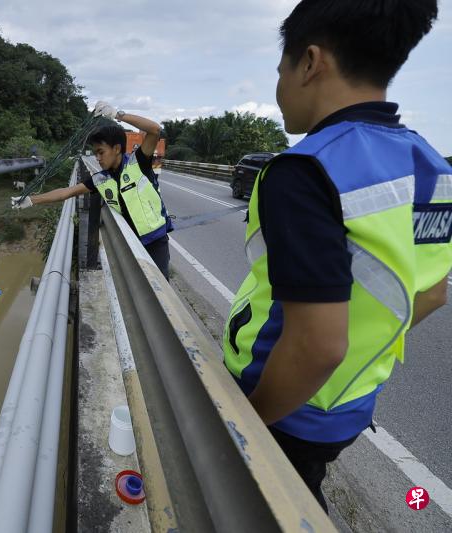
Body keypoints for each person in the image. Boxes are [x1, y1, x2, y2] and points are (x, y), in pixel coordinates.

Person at [222, 0, 450, 513]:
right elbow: (432, 293)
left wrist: (246, 428)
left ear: (310, 62)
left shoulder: (304, 170)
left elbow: (318, 344)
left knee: (262, 506)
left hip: (281, 406)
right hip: (348, 405)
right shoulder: (430, 165)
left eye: (280, 69)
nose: (277, 88)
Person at [11, 102, 173, 278]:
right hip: (130, 242)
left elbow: (155, 130)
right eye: (95, 153)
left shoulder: (138, 162)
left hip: (156, 241)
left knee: (160, 291)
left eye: (101, 152)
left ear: (117, 149)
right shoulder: (100, 179)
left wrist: (117, 115)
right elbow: (66, 192)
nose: (97, 158)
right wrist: (32, 200)